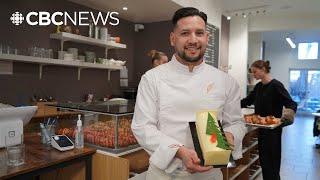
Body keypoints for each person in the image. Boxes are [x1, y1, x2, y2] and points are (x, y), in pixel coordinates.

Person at [131, 7, 246, 180]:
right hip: (164, 174)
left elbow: (236, 122)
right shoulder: (152, 78)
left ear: (207, 38)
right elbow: (142, 127)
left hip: (210, 174)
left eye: (199, 33)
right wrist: (179, 151)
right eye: (185, 33)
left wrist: (230, 136)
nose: (193, 40)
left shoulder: (226, 81)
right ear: (172, 38)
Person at [241, 60, 297, 180]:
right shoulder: (258, 87)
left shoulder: (276, 85)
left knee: (272, 162)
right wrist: (230, 104)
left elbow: (291, 103)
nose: (253, 75)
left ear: (263, 70)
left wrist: (286, 117)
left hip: (273, 132)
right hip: (261, 130)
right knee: (264, 162)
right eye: (252, 72)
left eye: (255, 72)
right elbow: (247, 101)